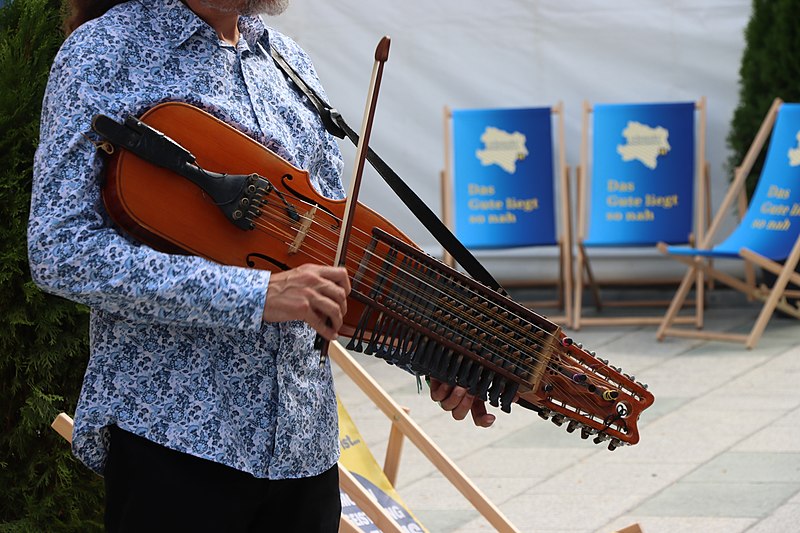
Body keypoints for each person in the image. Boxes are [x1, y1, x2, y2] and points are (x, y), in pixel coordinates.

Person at [28, 0, 495, 530]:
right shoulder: (105, 52)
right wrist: (255, 295)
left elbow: (335, 267)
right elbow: (61, 248)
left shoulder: (287, 63)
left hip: (304, 452)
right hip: (176, 443)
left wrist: (438, 354)